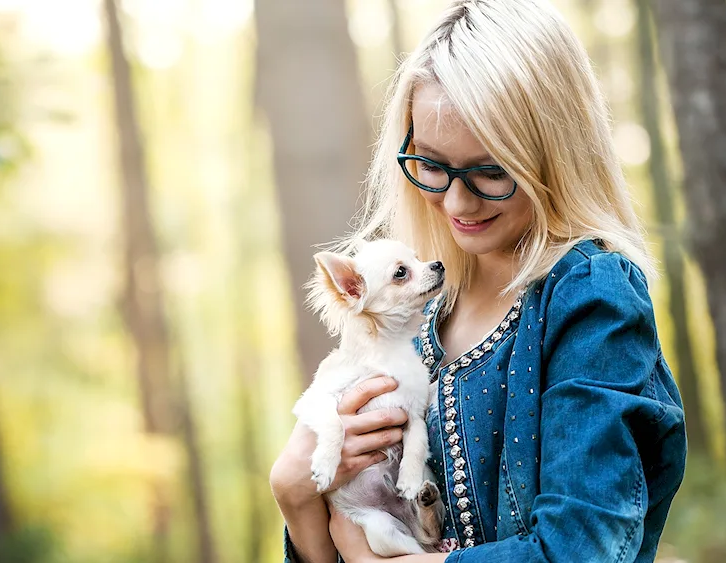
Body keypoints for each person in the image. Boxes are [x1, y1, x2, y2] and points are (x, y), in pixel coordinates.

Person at [268, 0, 688, 561]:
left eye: (490, 171)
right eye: (434, 165)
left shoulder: (589, 299)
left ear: (554, 153)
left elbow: (579, 548)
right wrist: (295, 496)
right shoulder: (417, 319)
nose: (456, 201)